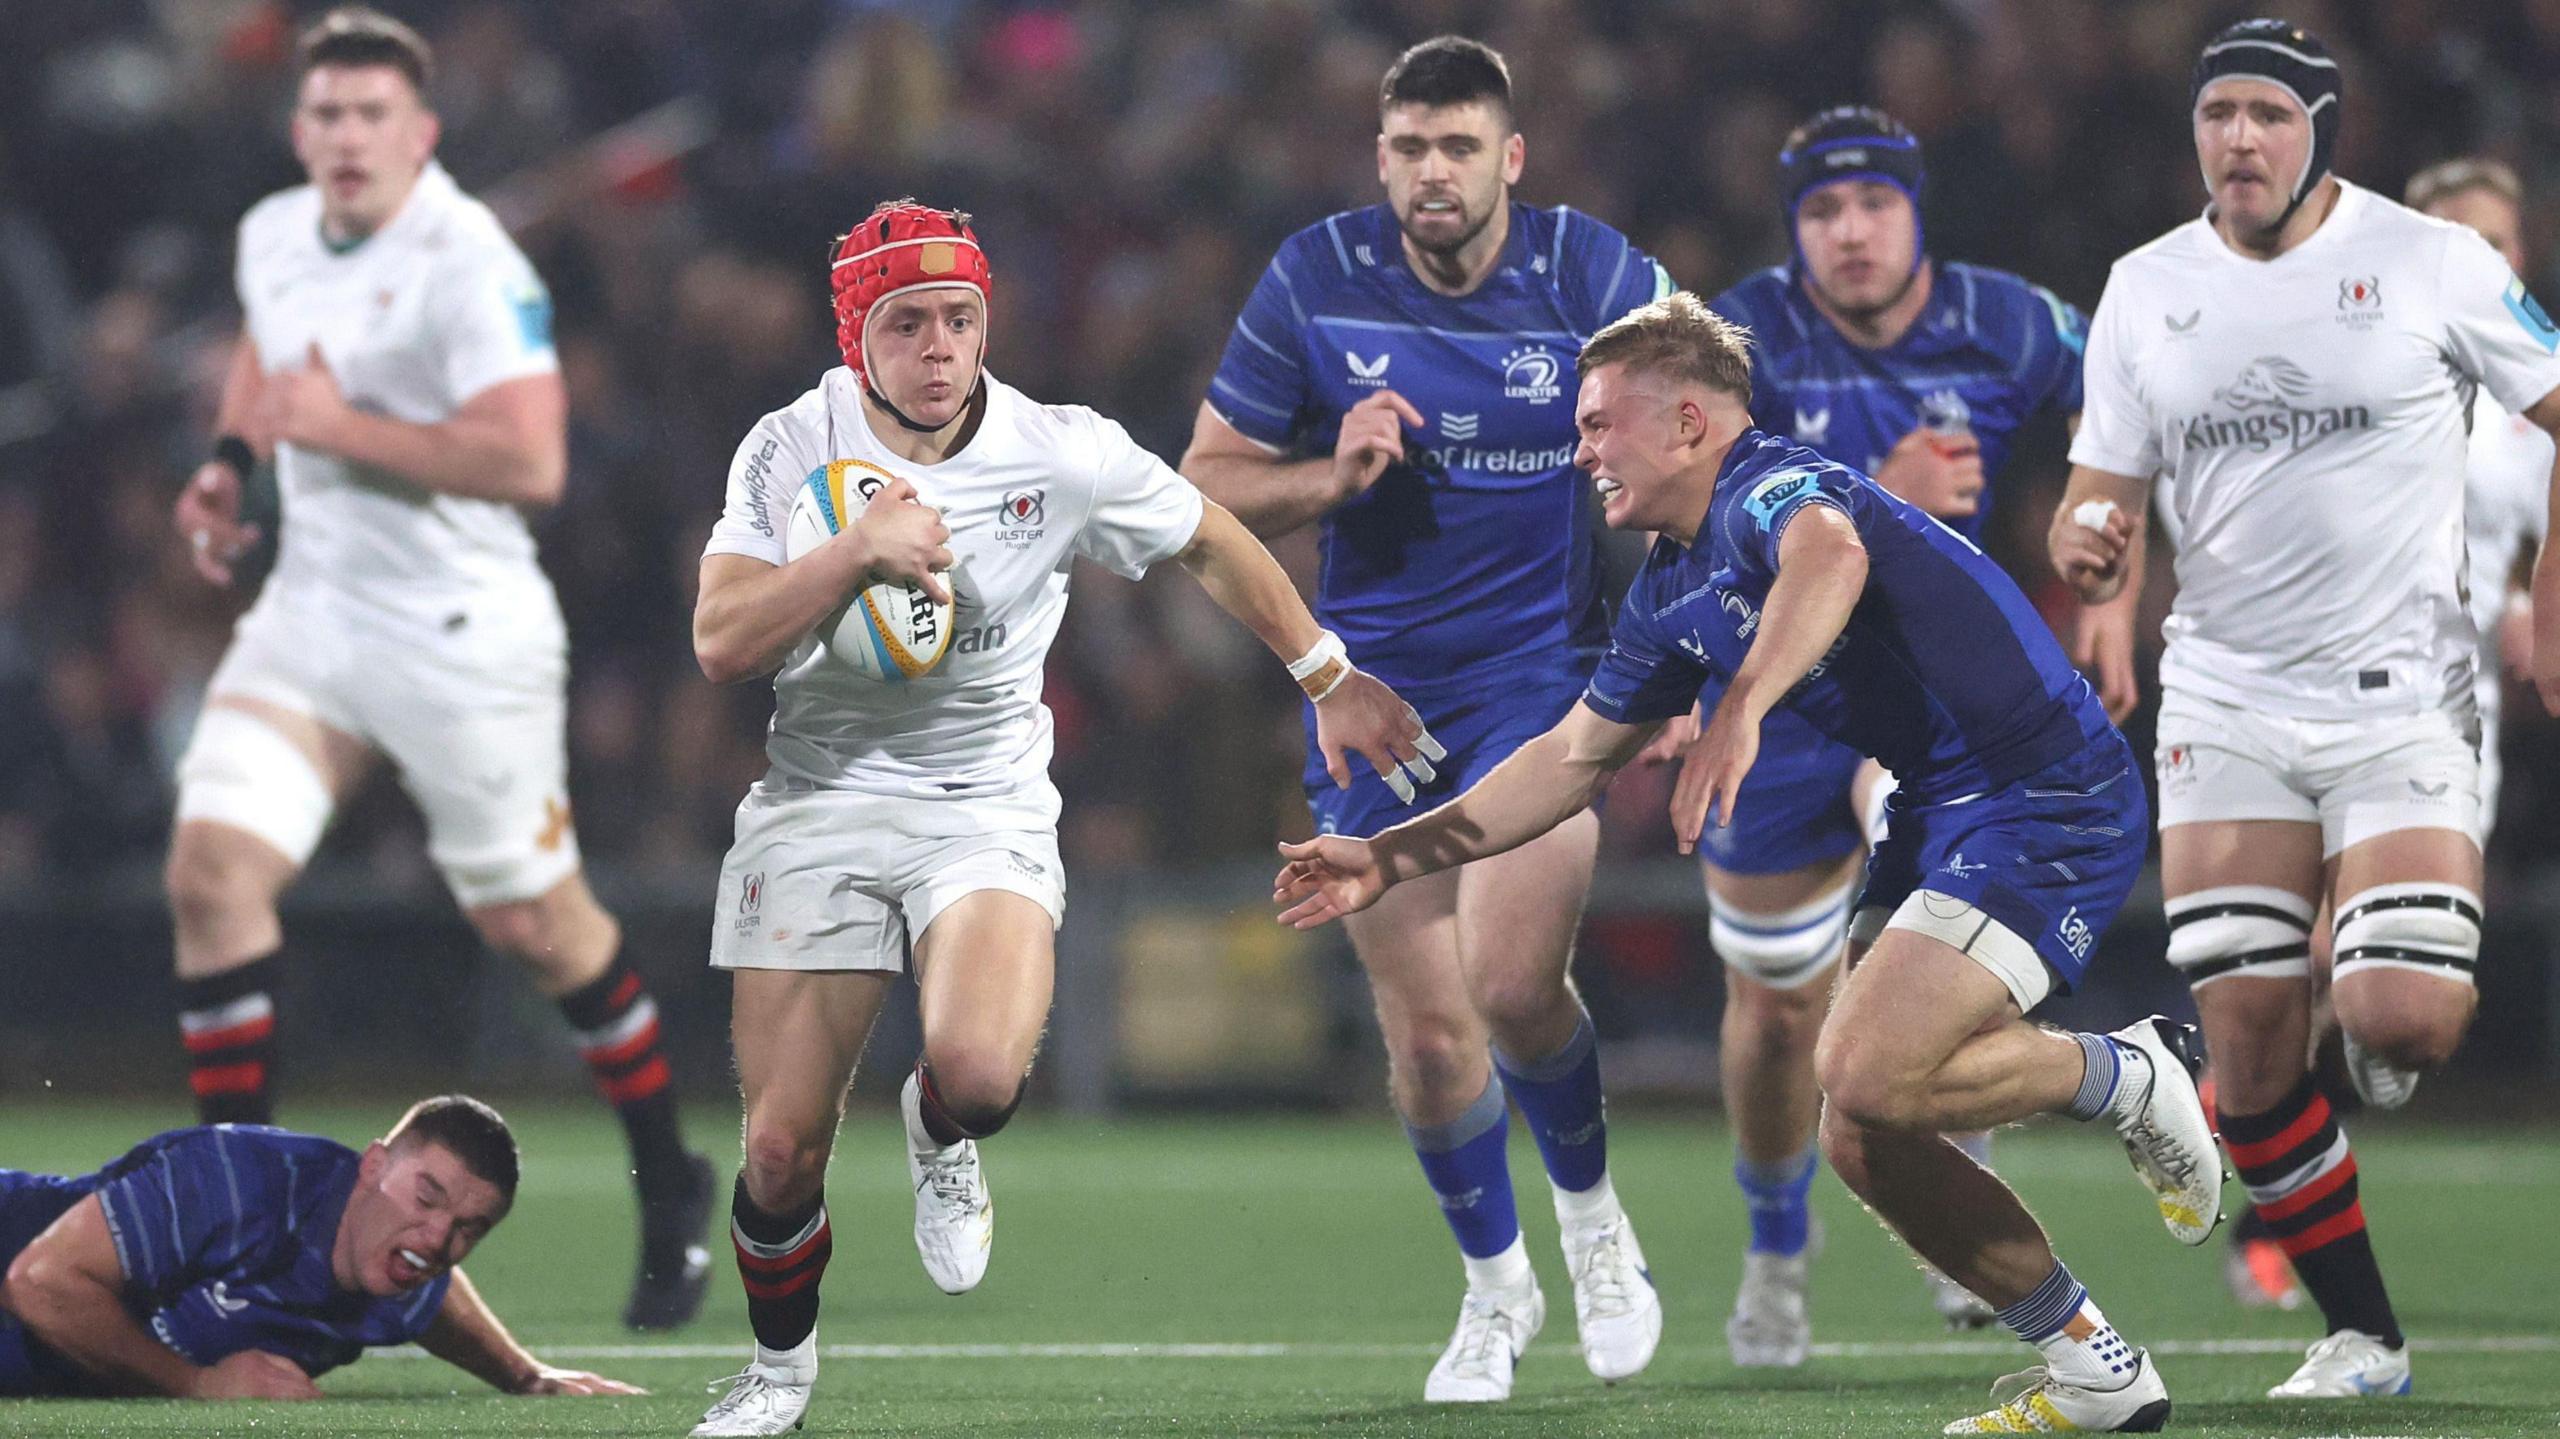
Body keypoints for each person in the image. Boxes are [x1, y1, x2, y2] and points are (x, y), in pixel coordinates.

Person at [1277, 291, 2224, 1435]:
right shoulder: (1670, 590)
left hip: (2044, 789)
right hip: (1945, 808)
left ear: (1688, 424)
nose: (1578, 452)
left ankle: (2127, 1074)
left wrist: (1747, 706)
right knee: (1857, 1124)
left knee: (1866, 1071)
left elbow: (1827, 554)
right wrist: (1387, 855)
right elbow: (1571, 758)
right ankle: (2094, 1367)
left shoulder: (1770, 483)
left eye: (1595, 424)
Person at [685, 198, 1436, 1438]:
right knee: (776, 1153)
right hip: (817, 802)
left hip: (982, 803)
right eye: (907, 321)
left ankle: (939, 1131)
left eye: (961, 318)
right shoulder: (787, 444)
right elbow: (720, 640)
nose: (939, 346)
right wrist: (853, 555)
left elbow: (1210, 540)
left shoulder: (1059, 450)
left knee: (979, 1075)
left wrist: (1327, 672)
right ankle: (779, 1377)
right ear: (854, 332)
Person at [161, 6, 712, 1331]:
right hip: (313, 614)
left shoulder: (469, 260)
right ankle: (241, 1233)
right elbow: (264, 354)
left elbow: (533, 461)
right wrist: (233, 462)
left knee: (538, 925)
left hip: (463, 636)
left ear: (423, 134)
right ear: (302, 131)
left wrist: (337, 427)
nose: (348, 137)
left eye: (373, 117)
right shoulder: (276, 231)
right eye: (329, 115)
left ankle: (668, 1175)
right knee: (213, 873)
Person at [2051, 20, 2560, 1401]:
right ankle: (2365, 1336)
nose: (2239, 138)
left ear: (2319, 131)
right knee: (2256, 1057)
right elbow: (2101, 488)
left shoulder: (2430, 260)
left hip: (2401, 688)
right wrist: (2093, 550)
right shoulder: (2145, 286)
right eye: (2219, 113)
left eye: (2269, 113)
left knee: (2397, 1015)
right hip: (2223, 697)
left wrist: (2553, 594)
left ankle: (2390, 997)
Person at [1181, 36, 1670, 1401]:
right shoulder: (1316, 279)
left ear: (1512, 157)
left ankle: (1594, 1226)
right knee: (1431, 1028)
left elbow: (1707, 446)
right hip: (1374, 695)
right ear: (1379, 155)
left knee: (1514, 984)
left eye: (1459, 147)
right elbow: (1201, 492)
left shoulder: (1596, 275)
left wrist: (1684, 669)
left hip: (1548, 680)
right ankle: (1495, 1288)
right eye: (1408, 147)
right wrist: (1330, 477)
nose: (1432, 173)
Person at [1637, 105, 2090, 1360]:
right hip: (1775, 697)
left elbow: (2133, 409)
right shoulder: (1740, 334)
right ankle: (1778, 1243)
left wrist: (2106, 547)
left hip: (1928, 692)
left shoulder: (2009, 321)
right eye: (1822, 212)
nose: (1849, 232)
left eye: (1873, 205)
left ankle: (1960, 1176)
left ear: (1915, 211)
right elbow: (1684, 504)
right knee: (1777, 1005)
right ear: (1793, 232)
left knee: (1934, 917)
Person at [0, 1096, 637, 1401]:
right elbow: (39, 1282)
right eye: (428, 1198)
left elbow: (435, 1295)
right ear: (372, 1166)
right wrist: (198, 1383)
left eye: (469, 1229)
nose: (439, 1241)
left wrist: (523, 1374)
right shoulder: (235, 1180)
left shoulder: (398, 1264)